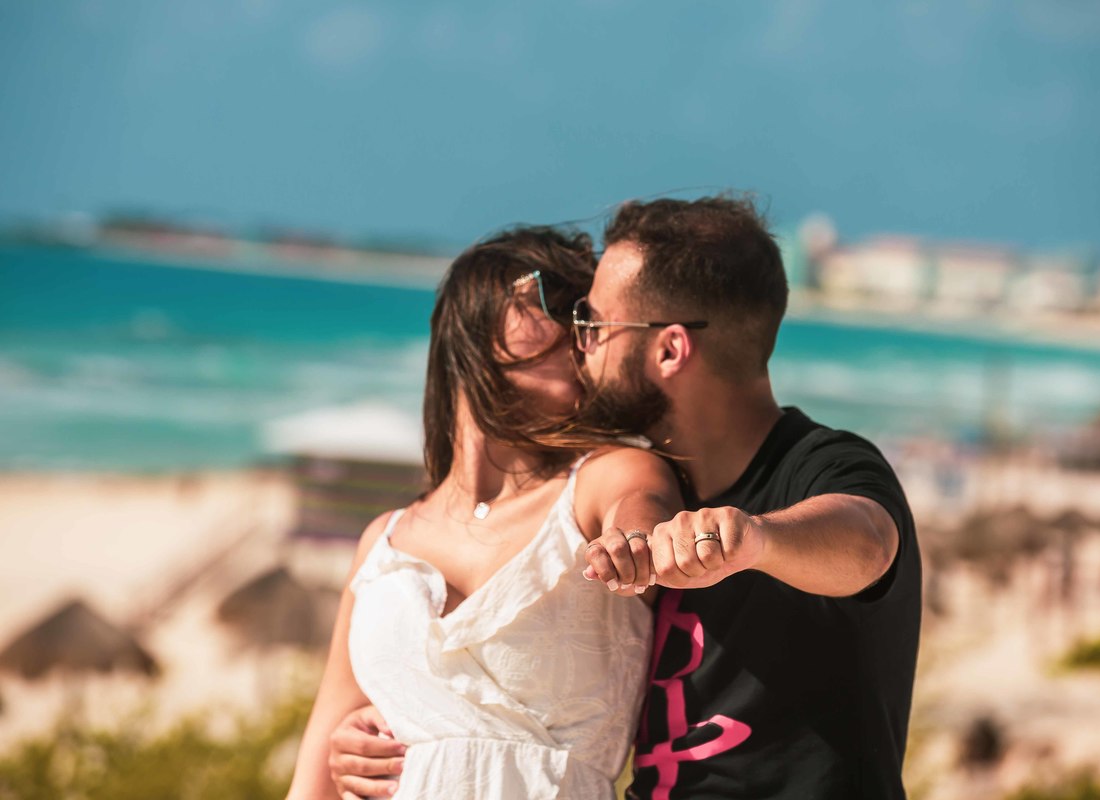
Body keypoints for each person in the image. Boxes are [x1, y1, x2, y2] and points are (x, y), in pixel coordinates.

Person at [330, 196, 922, 799]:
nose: (577, 343)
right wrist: (390, 723)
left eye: (593, 324)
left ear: (668, 350)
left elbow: (867, 544)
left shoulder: (822, 465)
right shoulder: (648, 480)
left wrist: (757, 540)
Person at [285, 226, 684, 800]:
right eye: (556, 300)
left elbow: (641, 512)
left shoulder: (607, 477)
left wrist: (637, 542)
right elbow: (314, 774)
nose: (584, 328)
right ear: (475, 320)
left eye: (588, 311)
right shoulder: (383, 543)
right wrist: (342, 750)